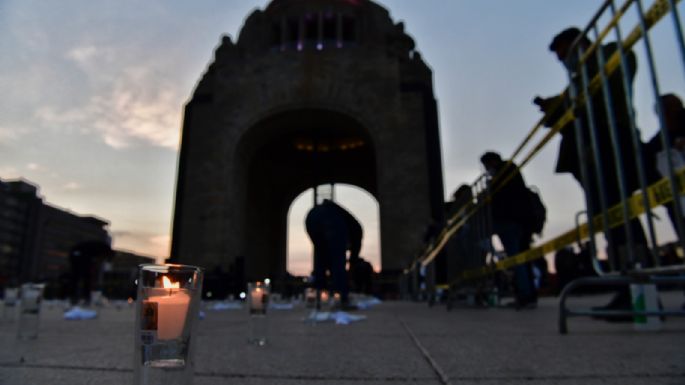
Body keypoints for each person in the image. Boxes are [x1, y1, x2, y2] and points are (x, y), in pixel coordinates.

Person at [535, 27, 648, 315]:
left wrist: (572, 91)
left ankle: (642, 290)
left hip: (612, 144)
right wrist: (552, 107)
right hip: (589, 155)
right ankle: (628, 287)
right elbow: (564, 112)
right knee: (612, 221)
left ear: (579, 45)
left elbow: (606, 84)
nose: (565, 64)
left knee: (623, 217)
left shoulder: (610, 55)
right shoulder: (577, 82)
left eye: (566, 56)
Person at [480, 152, 537, 309]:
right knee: (521, 258)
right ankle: (527, 294)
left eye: (486, 165)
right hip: (517, 220)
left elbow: (501, 198)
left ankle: (525, 295)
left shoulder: (504, 172)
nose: (485, 169)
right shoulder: (508, 172)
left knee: (517, 259)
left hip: (511, 220)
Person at [305, 199, 362, 309]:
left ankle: (319, 298)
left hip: (311, 216)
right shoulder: (356, 233)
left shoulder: (349, 226)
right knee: (338, 260)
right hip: (330, 217)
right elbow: (351, 259)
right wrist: (348, 275)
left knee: (320, 255)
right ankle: (341, 299)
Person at [644, 94, 685, 235]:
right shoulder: (655, 146)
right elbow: (654, 182)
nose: (680, 112)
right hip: (679, 208)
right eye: (676, 109)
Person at [69, 240, 114, 306]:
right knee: (79, 277)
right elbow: (95, 261)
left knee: (83, 278)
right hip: (78, 255)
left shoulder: (98, 249)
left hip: (79, 255)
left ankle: (83, 297)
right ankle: (79, 297)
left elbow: (95, 262)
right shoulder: (100, 249)